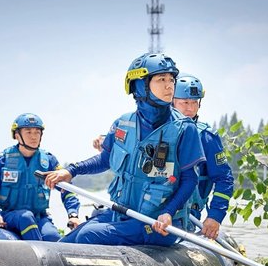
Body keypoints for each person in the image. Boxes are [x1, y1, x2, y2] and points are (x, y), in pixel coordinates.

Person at [44, 53, 205, 246]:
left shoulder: (185, 129)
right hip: (122, 212)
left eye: (171, 79)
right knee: (67, 241)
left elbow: (190, 180)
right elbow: (105, 160)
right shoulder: (123, 123)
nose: (169, 85)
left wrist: (168, 212)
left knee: (88, 235)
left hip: (156, 222)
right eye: (161, 79)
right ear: (140, 85)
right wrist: (71, 171)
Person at [0, 113, 81, 241]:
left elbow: (67, 190)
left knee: (52, 236)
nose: (34, 136)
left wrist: (73, 214)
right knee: (26, 217)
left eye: (37, 132)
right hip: (10, 216)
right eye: (28, 132)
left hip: (40, 217)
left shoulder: (48, 161)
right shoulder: (2, 159)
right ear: (17, 135)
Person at [172, 75, 234, 239]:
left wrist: (215, 216)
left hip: (185, 217)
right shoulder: (160, 131)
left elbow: (224, 179)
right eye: (185, 103)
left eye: (194, 102)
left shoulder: (206, 137)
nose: (190, 108)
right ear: (172, 102)